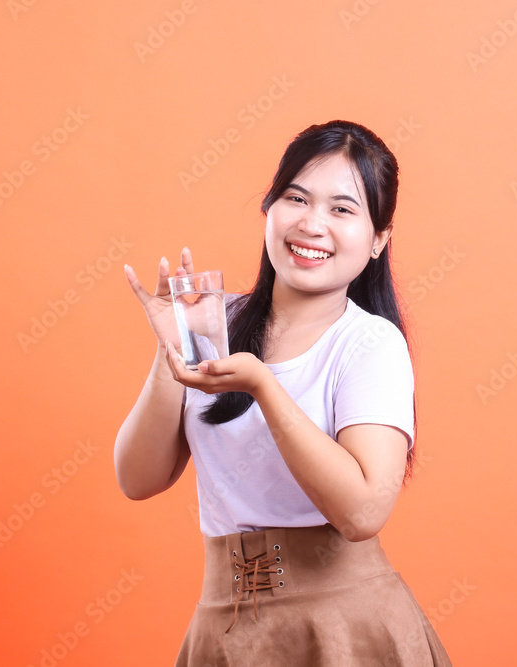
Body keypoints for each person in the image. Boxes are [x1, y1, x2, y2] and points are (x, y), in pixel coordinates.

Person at [115, 120, 452, 665]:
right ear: (268, 209)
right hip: (225, 627)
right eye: (296, 198)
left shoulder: (369, 343)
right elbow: (137, 479)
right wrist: (171, 350)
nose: (312, 224)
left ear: (378, 240)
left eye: (342, 209)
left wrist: (263, 386)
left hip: (345, 629)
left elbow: (363, 513)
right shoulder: (217, 323)